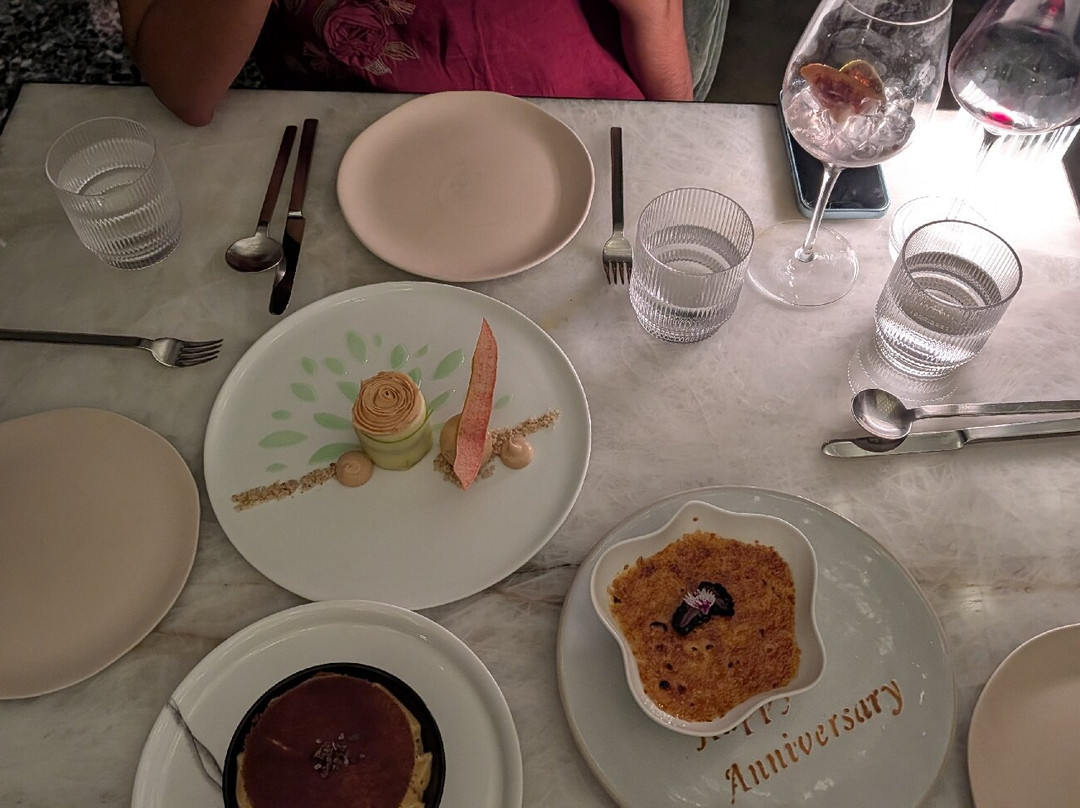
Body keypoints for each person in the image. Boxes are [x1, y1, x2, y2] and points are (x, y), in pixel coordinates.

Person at [117, 0, 693, 126]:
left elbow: (656, 14)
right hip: (336, 142)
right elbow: (184, 89)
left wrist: (674, 138)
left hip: (578, 124)